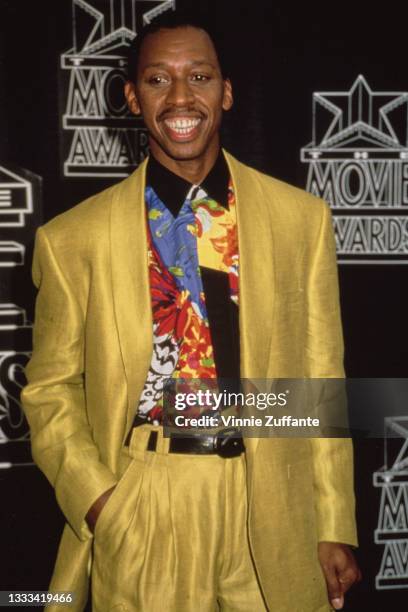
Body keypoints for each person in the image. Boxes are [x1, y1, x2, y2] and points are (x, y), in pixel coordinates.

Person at [21, 10, 361, 612]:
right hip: (147, 496)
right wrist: (102, 500)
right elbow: (48, 391)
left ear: (226, 92)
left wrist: (333, 518)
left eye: (199, 77)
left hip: (273, 502)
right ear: (131, 96)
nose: (181, 96)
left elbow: (319, 380)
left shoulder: (300, 219)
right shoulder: (73, 238)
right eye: (157, 80)